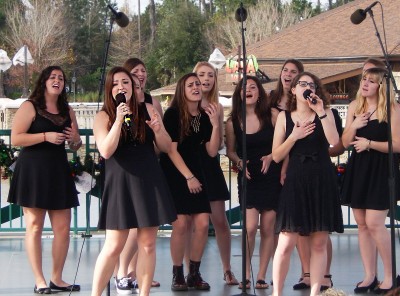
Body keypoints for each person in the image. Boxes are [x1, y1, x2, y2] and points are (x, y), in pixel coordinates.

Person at [91, 67, 176, 296]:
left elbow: (166, 147)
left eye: (126, 82)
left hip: (149, 178)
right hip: (120, 182)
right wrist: (118, 120)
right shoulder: (104, 116)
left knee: (147, 244)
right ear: (110, 89)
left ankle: (144, 292)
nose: (122, 87)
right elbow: (106, 151)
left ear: (132, 86)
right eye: (116, 83)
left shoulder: (147, 109)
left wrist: (158, 130)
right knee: (113, 245)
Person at [7, 65, 82, 294]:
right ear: (44, 81)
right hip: (33, 171)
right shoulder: (30, 106)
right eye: (53, 76)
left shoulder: (67, 110)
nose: (57, 80)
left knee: (63, 228)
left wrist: (75, 139)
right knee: (35, 226)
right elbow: (15, 138)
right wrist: (45, 136)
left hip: (58, 170)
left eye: (61, 77)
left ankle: (56, 278)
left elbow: (76, 144)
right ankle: (39, 280)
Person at [271, 72, 344, 296]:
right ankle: (277, 293)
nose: (307, 87)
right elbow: (275, 155)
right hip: (296, 179)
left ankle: (315, 292)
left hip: (321, 178)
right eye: (302, 84)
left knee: (319, 241)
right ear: (293, 90)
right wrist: (294, 136)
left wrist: (321, 112)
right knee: (286, 241)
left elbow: (334, 142)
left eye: (311, 84)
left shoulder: (327, 112)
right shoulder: (284, 117)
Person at [341, 67, 400, 294]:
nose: (365, 84)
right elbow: (345, 142)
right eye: (364, 79)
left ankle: (389, 276)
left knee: (376, 224)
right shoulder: (355, 107)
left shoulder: (393, 109)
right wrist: (354, 126)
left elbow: (397, 145)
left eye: (371, 81)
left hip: (381, 169)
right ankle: (369, 275)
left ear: (381, 86)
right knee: (363, 225)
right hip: (359, 168)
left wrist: (370, 144)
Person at [159, 73, 220, 291]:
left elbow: (212, 150)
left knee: (203, 223)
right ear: (181, 90)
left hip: (197, 170)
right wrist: (188, 177)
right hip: (177, 173)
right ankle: (177, 274)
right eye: (190, 85)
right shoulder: (173, 114)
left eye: (197, 84)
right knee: (182, 224)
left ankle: (194, 272)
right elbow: (171, 150)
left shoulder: (203, 116)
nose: (196, 87)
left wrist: (216, 124)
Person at [226, 76, 282, 290]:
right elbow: (231, 151)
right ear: (238, 94)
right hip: (249, 176)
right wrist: (240, 162)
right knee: (249, 227)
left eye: (252, 87)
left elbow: (283, 143)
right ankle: (246, 272)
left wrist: (272, 156)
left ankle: (261, 275)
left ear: (259, 92)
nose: (248, 90)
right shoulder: (233, 121)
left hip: (271, 173)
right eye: (244, 88)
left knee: (268, 228)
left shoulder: (273, 115)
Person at [112, 58, 163, 294]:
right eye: (134, 72)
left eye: (143, 70)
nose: (140, 75)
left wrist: (157, 131)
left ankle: (140, 276)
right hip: (123, 170)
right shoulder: (114, 107)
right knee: (126, 230)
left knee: (146, 234)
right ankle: (123, 272)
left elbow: (161, 141)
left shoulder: (152, 103)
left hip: (148, 167)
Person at [188, 61, 237, 285]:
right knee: (190, 222)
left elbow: (217, 147)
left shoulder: (216, 107)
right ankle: (190, 270)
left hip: (209, 165)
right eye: (201, 75)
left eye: (210, 75)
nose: (205, 79)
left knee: (219, 220)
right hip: (188, 167)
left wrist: (215, 122)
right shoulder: (183, 106)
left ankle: (227, 269)